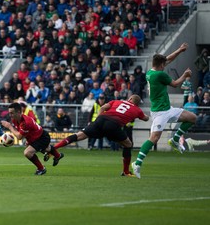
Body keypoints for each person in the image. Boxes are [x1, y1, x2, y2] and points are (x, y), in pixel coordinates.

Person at [132, 43, 197, 179]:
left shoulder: (151, 71)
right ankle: (137, 164)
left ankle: (175, 139)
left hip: (168, 109)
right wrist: (185, 75)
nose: (165, 64)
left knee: (192, 117)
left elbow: (167, 59)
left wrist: (179, 50)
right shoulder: (160, 75)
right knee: (154, 138)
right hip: (160, 112)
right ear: (161, 65)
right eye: (164, 63)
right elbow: (175, 84)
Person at [45, 95, 149, 171]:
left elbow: (103, 107)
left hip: (101, 120)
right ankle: (126, 171)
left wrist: (97, 120)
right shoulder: (137, 109)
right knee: (128, 144)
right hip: (113, 125)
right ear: (137, 103)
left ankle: (53, 150)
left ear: (130, 99)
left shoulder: (116, 101)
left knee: (78, 135)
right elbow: (145, 118)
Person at [0, 102, 64, 175]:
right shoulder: (15, 119)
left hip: (42, 138)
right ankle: (58, 156)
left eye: (12, 113)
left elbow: (19, 137)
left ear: (18, 112)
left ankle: (41, 169)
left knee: (27, 152)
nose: (10, 115)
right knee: (46, 149)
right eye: (9, 113)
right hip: (35, 138)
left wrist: (9, 127)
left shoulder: (26, 122)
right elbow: (21, 131)